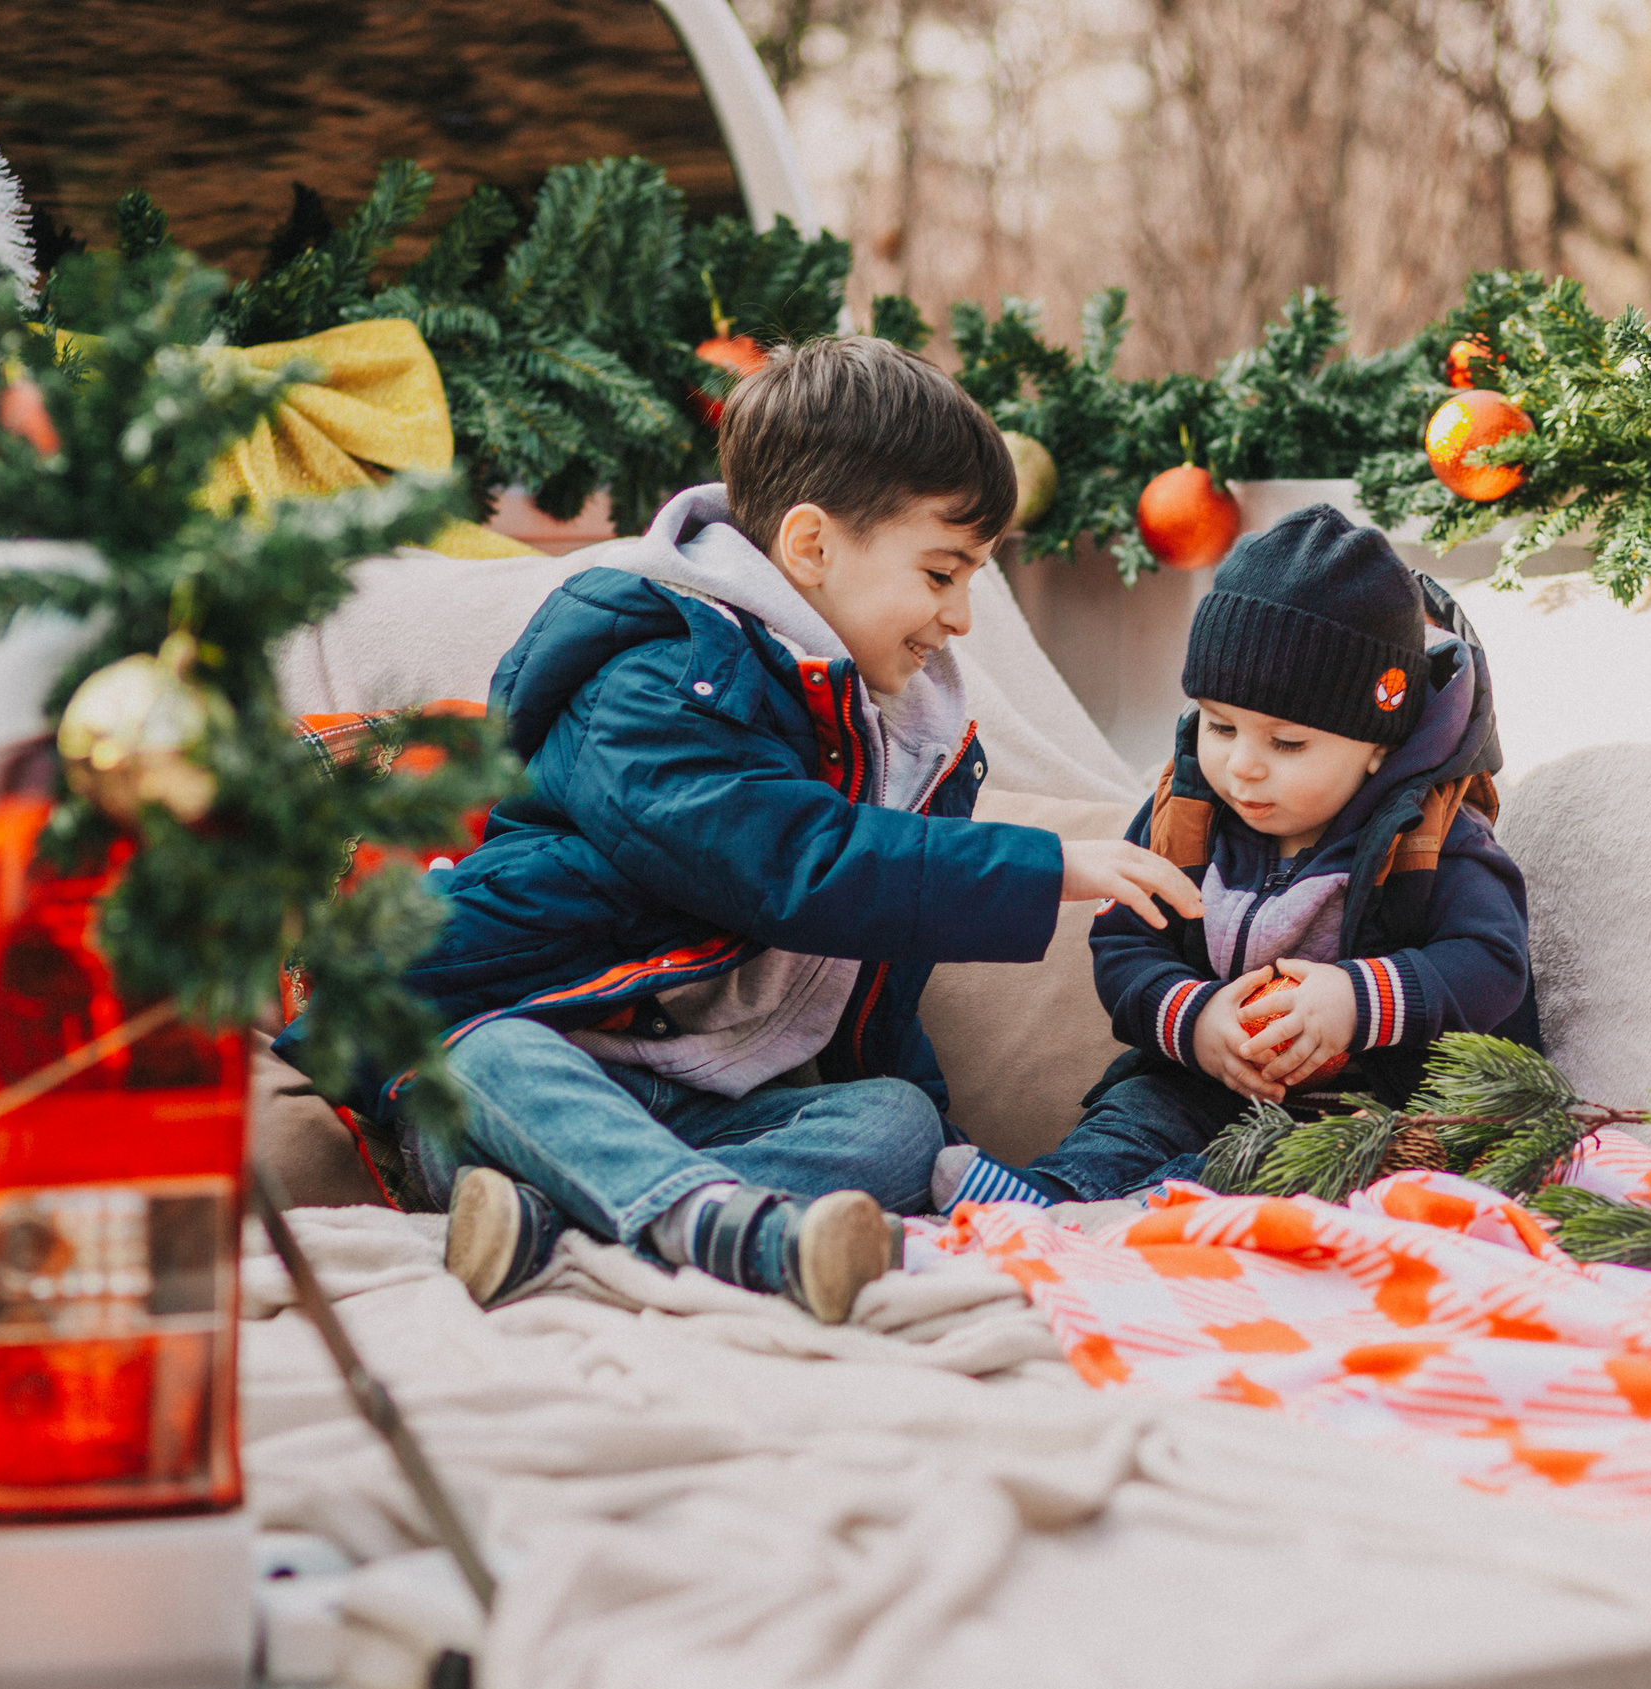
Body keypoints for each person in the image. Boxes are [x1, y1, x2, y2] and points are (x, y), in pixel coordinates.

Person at [280, 337, 1201, 1320]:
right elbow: (789, 860)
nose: (962, 618)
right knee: (488, 1061)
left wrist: (948, 1153)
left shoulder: (887, 735)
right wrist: (1045, 865)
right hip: (512, 1061)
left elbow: (872, 975)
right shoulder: (655, 676)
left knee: (895, 1128)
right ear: (811, 547)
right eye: (940, 574)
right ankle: (714, 1229)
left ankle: (566, 1224)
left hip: (701, 1113)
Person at [937, 504, 1536, 1209]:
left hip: (1374, 1109)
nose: (1244, 766)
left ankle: (1149, 1214)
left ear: (1380, 744)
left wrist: (1356, 999)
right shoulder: (1185, 812)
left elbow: (1494, 958)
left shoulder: (1435, 833)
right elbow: (1125, 942)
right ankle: (1047, 1200)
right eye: (1221, 726)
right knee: (1136, 1115)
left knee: (1273, 1170)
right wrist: (1198, 1020)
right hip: (1206, 1076)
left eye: (1287, 744)